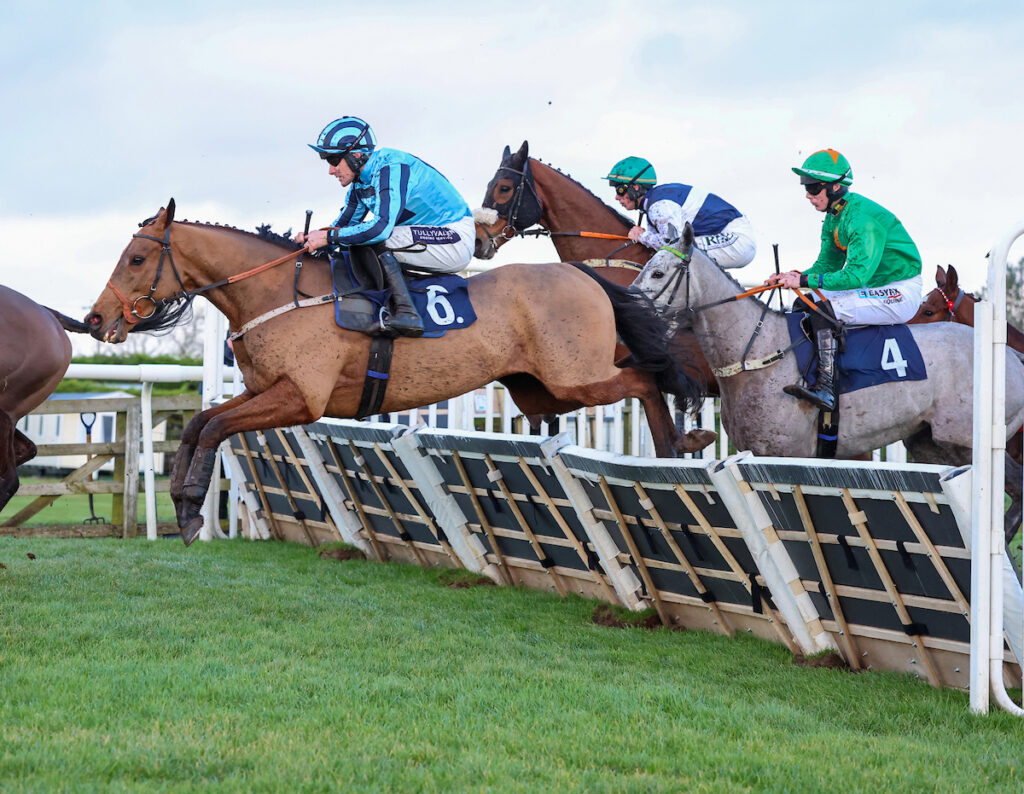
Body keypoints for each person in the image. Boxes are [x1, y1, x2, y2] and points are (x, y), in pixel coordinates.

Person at [765, 148, 923, 411]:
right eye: (805, 186)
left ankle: (826, 389)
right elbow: (827, 266)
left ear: (835, 187)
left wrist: (804, 280)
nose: (808, 194)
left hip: (899, 290)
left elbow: (856, 276)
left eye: (813, 187)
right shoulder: (834, 216)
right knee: (805, 302)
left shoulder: (862, 220)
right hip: (872, 285)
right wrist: (794, 277)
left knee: (824, 309)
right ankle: (805, 371)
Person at [297, 116, 474, 337]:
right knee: (353, 237)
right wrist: (313, 240)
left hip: (454, 237)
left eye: (334, 160)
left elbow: (380, 229)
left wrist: (328, 238)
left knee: (373, 237)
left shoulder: (391, 167)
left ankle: (408, 313)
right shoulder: (360, 183)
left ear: (356, 155)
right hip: (426, 237)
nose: (331, 170)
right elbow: (341, 227)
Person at [604, 156, 756, 269]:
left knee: (677, 254)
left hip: (737, 241)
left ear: (636, 187)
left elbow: (674, 244)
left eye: (620, 190)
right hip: (730, 237)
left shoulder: (659, 205)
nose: (617, 197)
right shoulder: (654, 202)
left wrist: (642, 236)